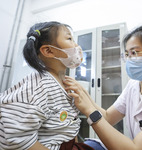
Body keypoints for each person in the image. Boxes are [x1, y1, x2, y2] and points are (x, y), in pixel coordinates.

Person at [0, 21, 94, 150]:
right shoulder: (37, 87)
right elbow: (17, 139)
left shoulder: (67, 82)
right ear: (49, 51)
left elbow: (70, 125)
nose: (76, 45)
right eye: (69, 38)